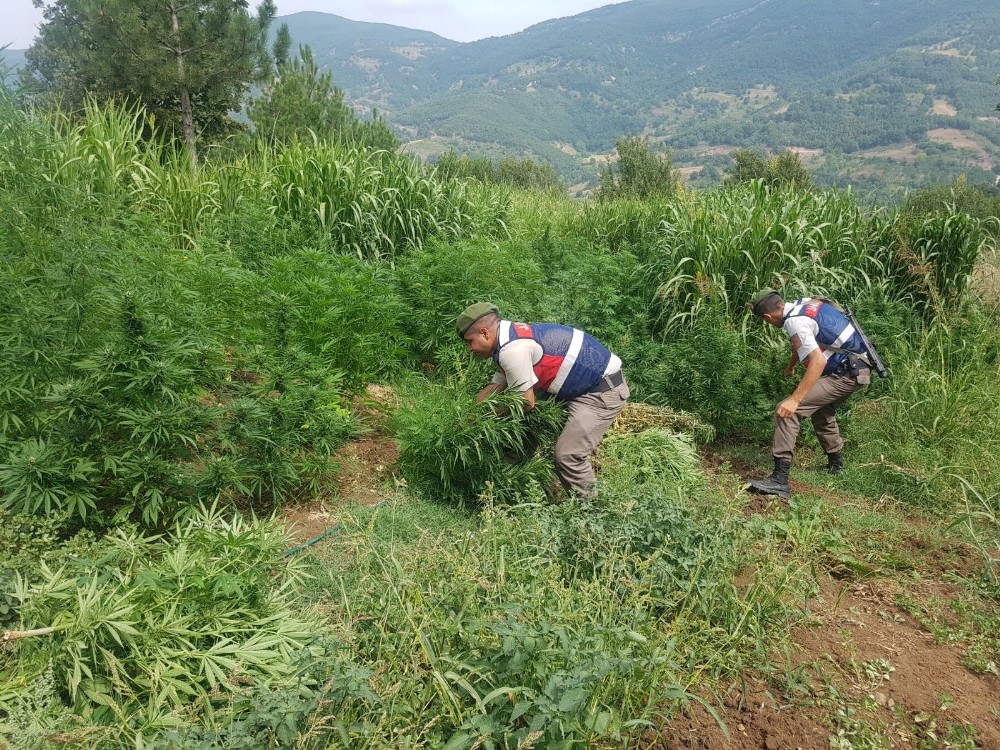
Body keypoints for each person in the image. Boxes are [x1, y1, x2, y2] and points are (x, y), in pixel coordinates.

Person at [456, 302, 629, 499]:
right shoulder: (507, 338)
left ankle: (592, 513)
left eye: (470, 341)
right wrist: (467, 416)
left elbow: (525, 403)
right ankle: (502, 488)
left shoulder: (512, 350)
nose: (469, 349)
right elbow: (494, 388)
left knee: (568, 456)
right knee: (521, 432)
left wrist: (482, 417)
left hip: (601, 391)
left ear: (485, 333)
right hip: (575, 385)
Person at [745, 289, 872, 499]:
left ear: (767, 317)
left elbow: (818, 361)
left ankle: (779, 481)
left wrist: (795, 400)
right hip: (858, 367)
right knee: (821, 409)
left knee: (787, 412)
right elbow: (804, 341)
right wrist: (791, 365)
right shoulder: (804, 304)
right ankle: (836, 466)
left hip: (846, 373)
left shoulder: (793, 322)